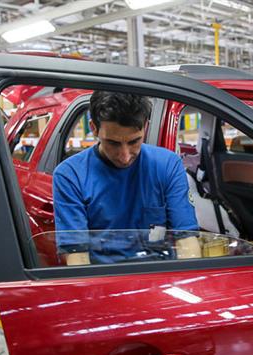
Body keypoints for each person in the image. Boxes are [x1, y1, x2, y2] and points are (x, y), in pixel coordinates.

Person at [53, 91, 201, 265]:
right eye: (113, 143)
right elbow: (77, 256)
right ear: (93, 128)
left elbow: (187, 241)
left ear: (145, 125)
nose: (124, 156)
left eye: (134, 142)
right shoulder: (70, 175)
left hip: (159, 278)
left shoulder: (168, 165)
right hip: (102, 282)